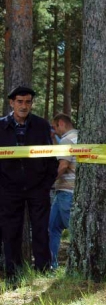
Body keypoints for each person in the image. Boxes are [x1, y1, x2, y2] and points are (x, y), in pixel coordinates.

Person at [0, 86, 57, 286]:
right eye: (20, 102)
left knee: (41, 230)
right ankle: (13, 276)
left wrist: (46, 183)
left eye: (28, 102)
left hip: (37, 188)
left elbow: (52, 156)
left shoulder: (41, 125)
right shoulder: (1, 126)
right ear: (11, 103)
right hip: (8, 190)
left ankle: (42, 272)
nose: (24, 106)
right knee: (11, 232)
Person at [49, 113, 78, 269]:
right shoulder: (79, 137)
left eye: (55, 127)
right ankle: (51, 264)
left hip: (67, 191)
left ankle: (74, 265)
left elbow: (63, 165)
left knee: (74, 230)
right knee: (52, 227)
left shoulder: (66, 140)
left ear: (61, 123)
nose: (55, 131)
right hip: (67, 191)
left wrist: (47, 182)